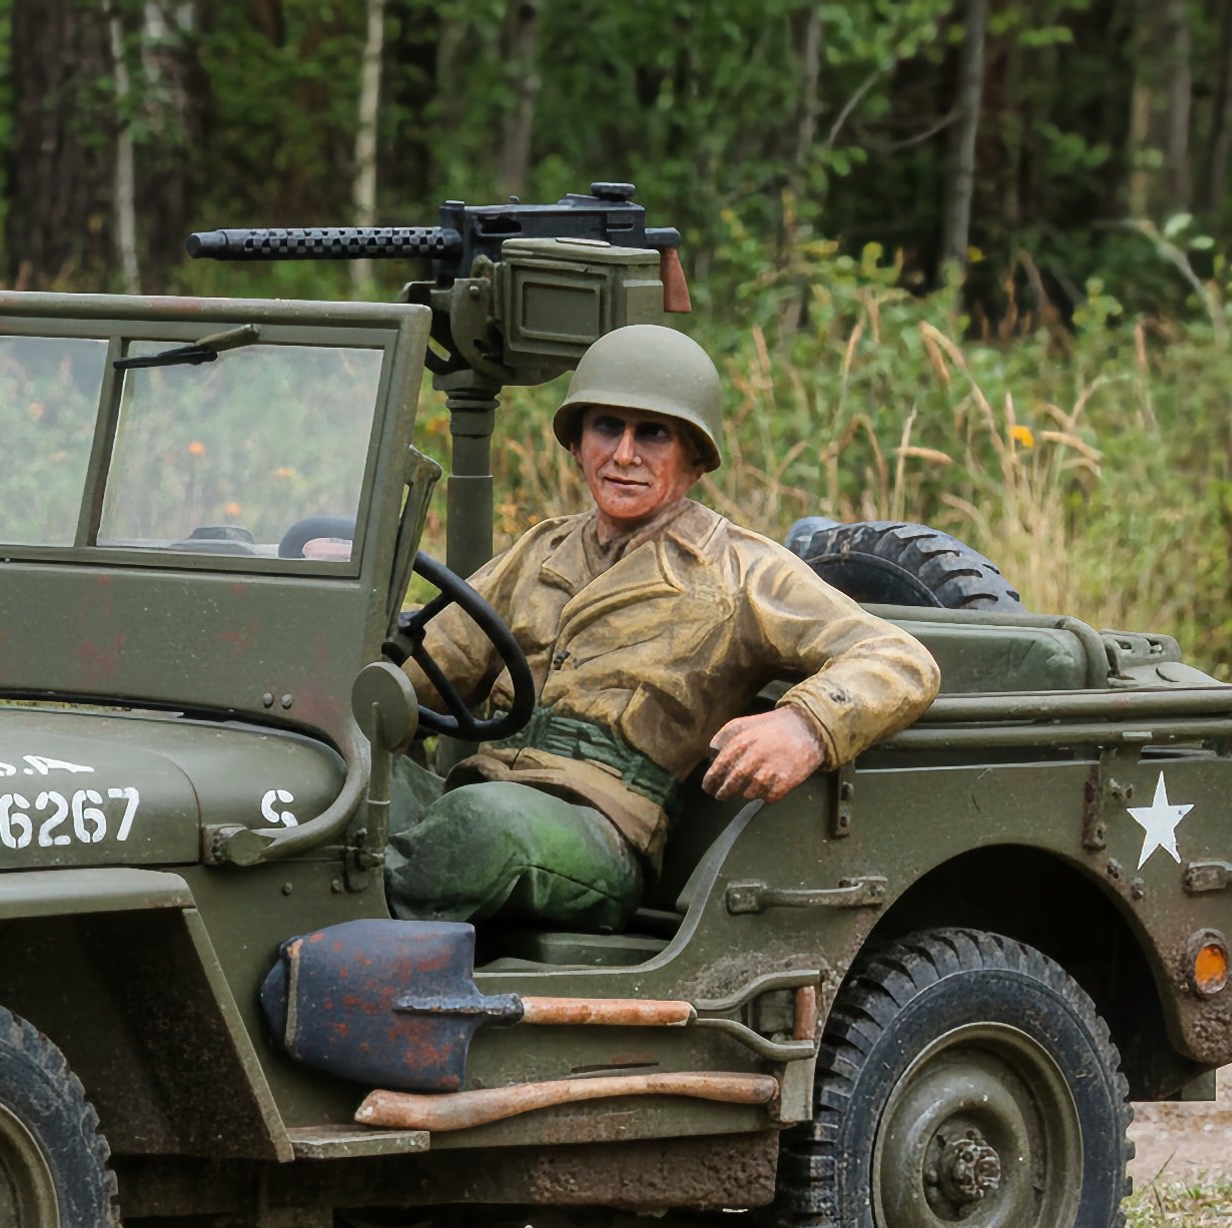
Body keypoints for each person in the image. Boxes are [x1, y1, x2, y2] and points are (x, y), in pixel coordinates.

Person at [387, 324, 941, 931]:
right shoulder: (540, 550)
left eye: (652, 433)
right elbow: (422, 673)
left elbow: (898, 659)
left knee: (478, 829)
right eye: (606, 427)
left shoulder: (740, 571)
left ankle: (340, 960)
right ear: (577, 443)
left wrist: (804, 724)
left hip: (599, 827)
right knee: (312, 781)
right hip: (481, 787)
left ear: (696, 458)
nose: (624, 454)